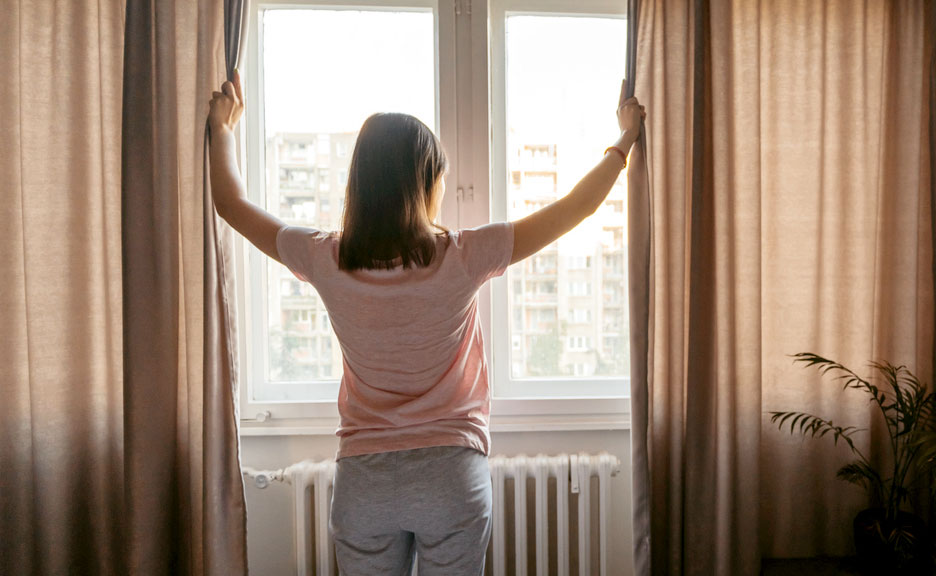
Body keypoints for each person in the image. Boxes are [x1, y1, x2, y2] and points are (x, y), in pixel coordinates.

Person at [207, 71, 644, 576]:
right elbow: (577, 207)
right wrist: (624, 137)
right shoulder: (462, 255)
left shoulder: (325, 256)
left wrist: (224, 129)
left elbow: (231, 204)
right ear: (425, 185)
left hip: (363, 481)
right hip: (451, 474)